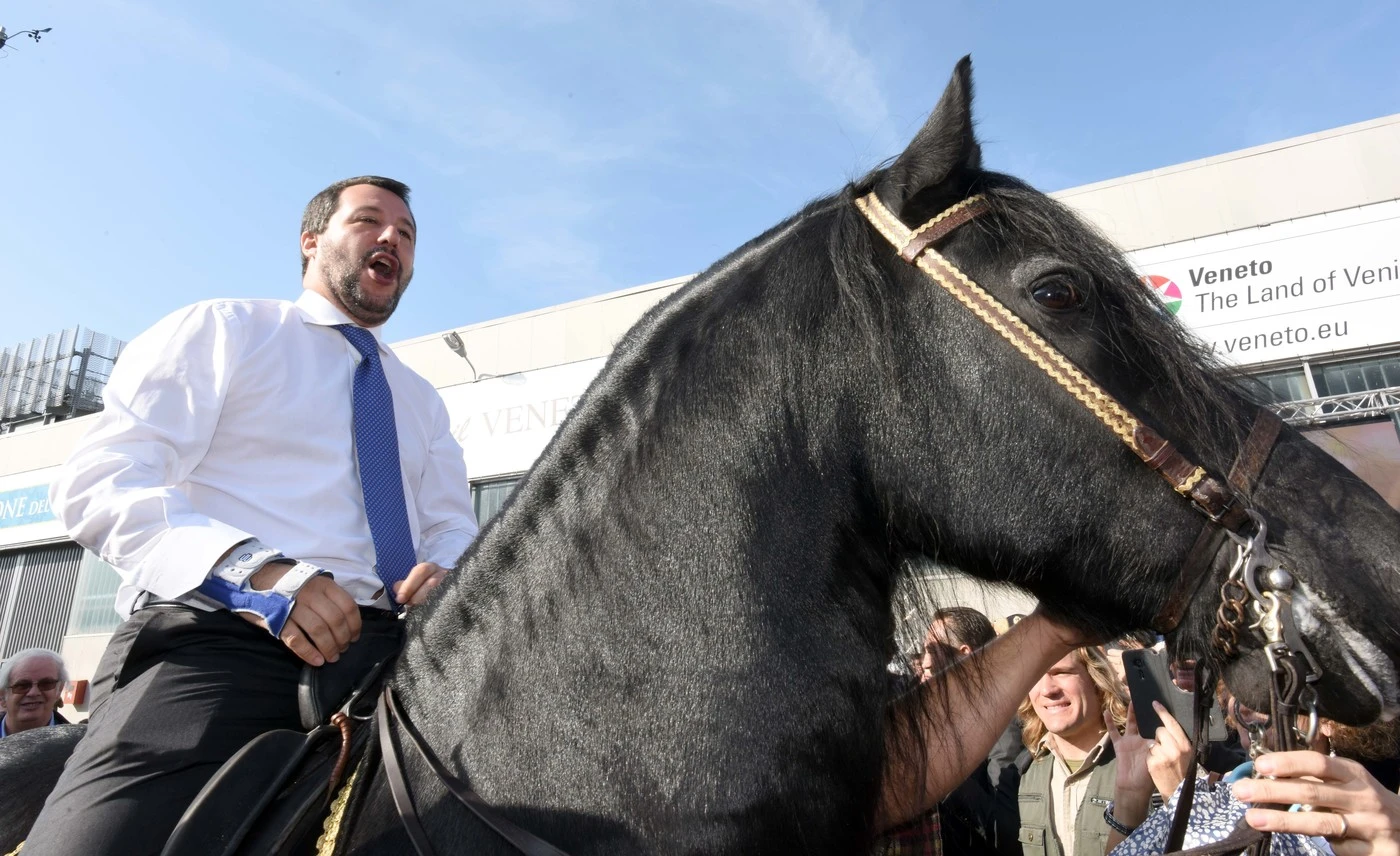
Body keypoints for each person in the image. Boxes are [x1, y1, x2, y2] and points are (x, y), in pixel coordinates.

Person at [25, 176, 478, 856]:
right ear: (311, 241)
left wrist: (448, 574)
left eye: (407, 234)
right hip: (220, 646)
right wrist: (258, 576)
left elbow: (449, 525)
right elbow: (102, 480)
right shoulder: (226, 330)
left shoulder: (421, 401)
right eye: (369, 222)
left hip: (390, 660)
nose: (393, 239)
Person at [1107, 691, 1400, 856]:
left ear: (1330, 721)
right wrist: (1132, 797)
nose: (1248, 705)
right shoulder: (1221, 790)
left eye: (1274, 691)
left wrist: (1187, 800)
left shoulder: (1370, 812)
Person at [1015, 645, 1130, 856]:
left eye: (1061, 673)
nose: (1047, 690)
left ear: (1097, 680)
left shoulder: (1143, 761)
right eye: (1035, 676)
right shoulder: (1028, 771)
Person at [0, 649, 69, 737]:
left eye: (46, 684)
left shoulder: (81, 745)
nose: (33, 693)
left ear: (59, 690)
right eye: (22, 685)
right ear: (2, 695)